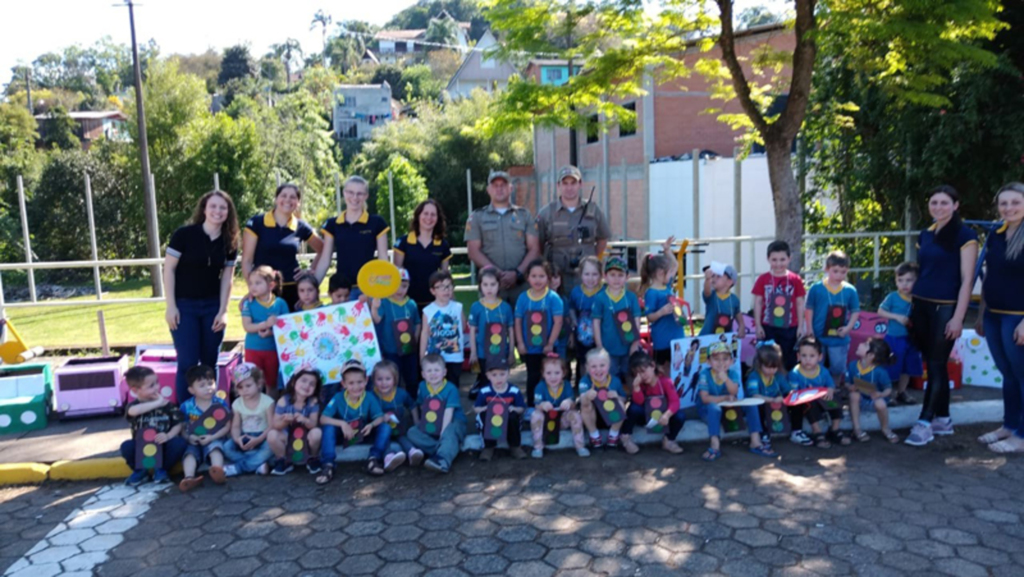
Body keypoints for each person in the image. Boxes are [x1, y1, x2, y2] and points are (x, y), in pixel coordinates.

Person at [906, 186, 978, 447]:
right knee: (932, 363)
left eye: (944, 202)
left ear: (956, 205)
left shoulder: (965, 235)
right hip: (921, 306)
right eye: (934, 202)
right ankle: (944, 419)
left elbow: (967, 279)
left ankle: (924, 422)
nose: (938, 207)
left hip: (945, 309)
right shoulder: (925, 235)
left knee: (936, 364)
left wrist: (958, 318)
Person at [164, 190, 239, 403]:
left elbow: (227, 278)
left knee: (209, 362)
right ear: (204, 209)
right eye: (213, 206)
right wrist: (171, 306)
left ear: (228, 212)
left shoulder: (230, 240)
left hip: (212, 307)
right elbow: (168, 269)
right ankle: (185, 412)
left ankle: (208, 414)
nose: (218, 211)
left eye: (223, 207)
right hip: (184, 306)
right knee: (187, 362)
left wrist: (223, 311)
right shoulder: (184, 235)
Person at [976, 183, 1024, 453]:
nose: (1009, 208)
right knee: (1008, 373)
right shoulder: (996, 233)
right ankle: (1010, 424)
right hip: (994, 315)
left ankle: (1022, 436)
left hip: (1018, 317)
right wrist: (982, 314)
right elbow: (989, 276)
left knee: (1022, 375)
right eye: (1004, 203)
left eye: (1015, 202)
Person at [241, 183, 324, 311]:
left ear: (298, 202)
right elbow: (246, 261)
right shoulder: (257, 223)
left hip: (293, 290)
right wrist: (253, 287)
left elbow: (323, 249)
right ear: (276, 199)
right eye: (283, 195)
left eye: (293, 197)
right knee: (265, 329)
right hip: (264, 289)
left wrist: (309, 272)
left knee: (294, 330)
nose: (287, 200)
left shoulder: (301, 226)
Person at [466, 170, 541, 303]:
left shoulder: (524, 215)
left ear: (511, 188)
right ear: (488, 189)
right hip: (490, 287)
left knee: (526, 323)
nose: (499, 189)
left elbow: (534, 249)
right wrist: (498, 274)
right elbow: (473, 251)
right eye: (495, 185)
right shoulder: (477, 217)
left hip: (521, 286)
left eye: (503, 185)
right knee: (491, 323)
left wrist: (517, 274)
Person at [535, 165, 611, 294]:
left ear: (580, 184)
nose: (569, 188)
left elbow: (602, 239)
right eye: (565, 183)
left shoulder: (593, 210)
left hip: (587, 277)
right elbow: (538, 245)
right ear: (558, 185)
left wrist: (591, 260)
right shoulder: (546, 213)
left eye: (573, 183)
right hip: (557, 277)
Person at [696, 343, 774, 461]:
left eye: (725, 359)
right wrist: (725, 398)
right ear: (708, 361)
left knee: (751, 403)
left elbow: (734, 391)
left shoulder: (732, 374)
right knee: (714, 408)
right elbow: (705, 398)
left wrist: (726, 379)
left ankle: (755, 441)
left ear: (732, 361)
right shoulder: (704, 374)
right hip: (708, 410)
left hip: (729, 408)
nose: (721, 363)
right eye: (716, 359)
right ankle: (714, 444)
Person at [313, 176, 389, 295]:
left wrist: (384, 288)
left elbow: (383, 258)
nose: (355, 197)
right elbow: (325, 260)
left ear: (366, 196)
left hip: (368, 288)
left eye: (360, 194)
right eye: (351, 192)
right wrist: (312, 287)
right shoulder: (332, 224)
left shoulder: (377, 223)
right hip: (342, 291)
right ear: (344, 193)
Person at [317, 360, 389, 483]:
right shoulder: (338, 398)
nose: (356, 387)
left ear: (366, 381)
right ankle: (328, 464)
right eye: (351, 383)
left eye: (360, 382)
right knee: (328, 428)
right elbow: (323, 419)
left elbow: (380, 417)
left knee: (385, 427)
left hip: (363, 433)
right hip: (344, 435)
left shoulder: (369, 397)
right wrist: (342, 423)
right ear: (343, 384)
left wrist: (371, 425)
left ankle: (374, 459)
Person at [121, 366, 188, 486]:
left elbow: (178, 423)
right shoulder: (134, 406)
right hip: (142, 448)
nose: (157, 387)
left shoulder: (167, 405)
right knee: (126, 446)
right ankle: (141, 471)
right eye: (151, 386)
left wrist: (168, 435)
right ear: (136, 390)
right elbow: (133, 411)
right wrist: (157, 403)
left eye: (157, 383)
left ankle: (161, 470)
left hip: (163, 444)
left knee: (179, 443)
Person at [804, 250, 861, 387]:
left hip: (839, 337)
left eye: (843, 272)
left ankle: (833, 390)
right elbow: (809, 309)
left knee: (837, 367)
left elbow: (855, 311)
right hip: (818, 335)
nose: (839, 275)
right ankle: (815, 391)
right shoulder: (816, 288)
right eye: (835, 271)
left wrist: (848, 328)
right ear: (827, 269)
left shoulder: (850, 290)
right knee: (814, 365)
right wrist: (809, 329)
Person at [515, 259, 565, 406]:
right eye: (534, 276)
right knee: (533, 376)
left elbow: (558, 322)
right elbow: (517, 321)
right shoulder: (523, 298)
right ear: (528, 277)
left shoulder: (553, 298)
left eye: (542, 276)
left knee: (551, 377)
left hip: (548, 348)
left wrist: (550, 343)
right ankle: (531, 405)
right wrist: (520, 343)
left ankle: (552, 404)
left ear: (548, 278)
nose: (537, 280)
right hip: (530, 349)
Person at [752, 240, 807, 371]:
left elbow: (800, 303)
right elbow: (758, 302)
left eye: (782, 259)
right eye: (774, 260)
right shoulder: (763, 279)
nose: (778, 264)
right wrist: (758, 325)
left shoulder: (795, 279)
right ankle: (770, 383)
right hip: (768, 326)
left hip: (790, 326)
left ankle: (787, 385)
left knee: (788, 357)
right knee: (769, 356)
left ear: (789, 259)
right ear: (768, 259)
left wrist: (800, 326)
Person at [407, 354, 467, 473]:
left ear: (444, 372)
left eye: (436, 370)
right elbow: (422, 405)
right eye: (429, 371)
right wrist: (422, 424)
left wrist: (442, 433)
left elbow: (448, 413)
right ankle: (444, 448)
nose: (433, 374)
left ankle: (443, 460)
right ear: (423, 374)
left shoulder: (451, 389)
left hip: (452, 421)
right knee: (412, 432)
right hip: (432, 423)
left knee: (450, 431)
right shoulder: (422, 386)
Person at [789, 336, 848, 449]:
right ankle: (817, 432)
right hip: (807, 404)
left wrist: (830, 390)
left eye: (812, 356)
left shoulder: (823, 371)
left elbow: (831, 385)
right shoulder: (795, 373)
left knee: (836, 397)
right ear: (798, 356)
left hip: (823, 401)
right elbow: (793, 393)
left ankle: (835, 429)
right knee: (808, 402)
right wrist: (806, 392)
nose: (807, 359)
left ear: (820, 357)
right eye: (804, 356)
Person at [178, 365, 230, 492]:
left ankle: (217, 470)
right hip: (194, 439)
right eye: (202, 385)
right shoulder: (186, 406)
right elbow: (182, 427)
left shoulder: (220, 403)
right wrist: (188, 437)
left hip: (214, 437)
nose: (208, 388)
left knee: (215, 449)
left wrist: (212, 437)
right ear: (191, 390)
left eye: (210, 383)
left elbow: (227, 425)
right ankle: (189, 478)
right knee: (190, 454)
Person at [592, 256, 642, 386]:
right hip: (608, 349)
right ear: (605, 276)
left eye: (620, 275)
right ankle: (613, 403)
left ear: (627, 277)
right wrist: (599, 346)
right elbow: (596, 323)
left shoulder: (631, 297)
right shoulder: (600, 298)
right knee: (610, 379)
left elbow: (637, 320)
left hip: (628, 348)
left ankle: (634, 402)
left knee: (631, 375)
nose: (616, 279)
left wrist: (635, 344)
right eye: (612, 274)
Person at [877, 262, 922, 405]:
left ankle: (901, 392)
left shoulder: (918, 298)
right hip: (894, 339)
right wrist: (896, 317)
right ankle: (887, 394)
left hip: (912, 339)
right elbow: (880, 311)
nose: (904, 284)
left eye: (909, 280)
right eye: (900, 280)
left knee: (907, 367)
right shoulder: (892, 297)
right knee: (891, 367)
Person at [394, 199, 452, 309]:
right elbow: (397, 273)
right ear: (418, 215)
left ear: (437, 218)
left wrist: (452, 302)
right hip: (407, 302)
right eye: (425, 213)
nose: (429, 218)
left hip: (434, 303)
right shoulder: (403, 242)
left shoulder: (443, 245)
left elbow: (446, 277)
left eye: (433, 214)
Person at [240, 266, 290, 394]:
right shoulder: (248, 303)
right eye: (250, 283)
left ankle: (271, 411)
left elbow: (287, 328)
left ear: (271, 285)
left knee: (271, 384)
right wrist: (265, 324)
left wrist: (271, 333)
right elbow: (247, 326)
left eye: (258, 283)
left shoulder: (281, 304)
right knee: (253, 383)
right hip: (252, 349)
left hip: (273, 350)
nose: (253, 287)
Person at [623, 351, 684, 455]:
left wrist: (667, 415)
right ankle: (625, 437)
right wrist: (636, 388)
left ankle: (669, 440)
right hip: (647, 418)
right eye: (637, 374)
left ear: (652, 366)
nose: (642, 376)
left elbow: (675, 402)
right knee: (633, 408)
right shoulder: (640, 384)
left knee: (680, 416)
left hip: (662, 418)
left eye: (643, 371)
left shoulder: (665, 382)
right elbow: (639, 402)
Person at [371, 268, 420, 396]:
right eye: (396, 286)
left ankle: (413, 404)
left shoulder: (411, 304)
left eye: (404, 286)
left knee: (412, 378)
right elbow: (376, 320)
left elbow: (417, 323)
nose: (400, 290)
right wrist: (374, 308)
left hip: (409, 350)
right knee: (393, 379)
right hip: (391, 351)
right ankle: (393, 404)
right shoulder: (384, 302)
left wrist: (415, 339)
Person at [529, 355, 589, 458]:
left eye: (557, 373)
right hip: (546, 421)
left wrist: (569, 402)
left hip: (562, 420)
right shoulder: (540, 387)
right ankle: (538, 446)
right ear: (543, 374)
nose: (553, 377)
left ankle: (580, 446)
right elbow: (536, 405)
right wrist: (542, 405)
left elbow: (574, 404)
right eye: (548, 373)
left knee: (575, 415)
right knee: (535, 415)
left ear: (564, 373)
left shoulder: (566, 385)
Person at [468, 267, 516, 398]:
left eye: (493, 284)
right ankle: (484, 412)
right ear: (480, 286)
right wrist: (473, 352)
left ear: (499, 285)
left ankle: (500, 408)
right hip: (483, 353)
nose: (489, 288)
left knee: (500, 381)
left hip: (501, 352)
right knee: (485, 383)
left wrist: (511, 352)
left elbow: (510, 330)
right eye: (485, 285)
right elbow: (472, 331)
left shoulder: (505, 307)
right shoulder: (476, 307)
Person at [222, 363, 274, 477]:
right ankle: (258, 464)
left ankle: (238, 468)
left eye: (248, 385)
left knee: (270, 447)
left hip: (263, 436)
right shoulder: (237, 403)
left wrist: (258, 440)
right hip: (244, 437)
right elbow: (235, 426)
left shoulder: (267, 402)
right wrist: (237, 439)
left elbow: (271, 426)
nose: (244, 390)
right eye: (240, 387)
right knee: (226, 447)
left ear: (259, 383)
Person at [268, 369, 323, 476]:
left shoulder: (313, 402)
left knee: (317, 432)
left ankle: (313, 458)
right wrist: (285, 421)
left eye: (312, 384)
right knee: (272, 435)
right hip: (288, 437)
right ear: (293, 382)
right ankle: (283, 460)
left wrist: (305, 419)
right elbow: (275, 424)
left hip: (306, 438)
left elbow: (313, 424)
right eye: (304, 381)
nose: (307, 385)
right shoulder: (283, 400)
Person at [641, 238, 683, 375]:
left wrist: (667, 250)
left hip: (676, 334)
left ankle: (675, 390)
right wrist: (661, 312)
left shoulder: (667, 285)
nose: (671, 274)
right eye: (668, 272)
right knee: (662, 368)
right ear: (660, 273)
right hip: (662, 338)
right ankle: (663, 390)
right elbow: (649, 317)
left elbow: (675, 265)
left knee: (677, 365)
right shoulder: (651, 293)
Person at [474, 357, 528, 461]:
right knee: (484, 415)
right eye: (494, 375)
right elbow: (476, 408)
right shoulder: (484, 391)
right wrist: (485, 408)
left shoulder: (514, 390)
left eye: (502, 374)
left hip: (508, 421)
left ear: (508, 373)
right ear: (487, 376)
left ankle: (515, 446)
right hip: (491, 422)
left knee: (513, 416)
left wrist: (514, 408)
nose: (498, 378)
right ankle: (488, 447)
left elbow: (521, 408)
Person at [846, 337, 898, 443]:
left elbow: (888, 389)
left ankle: (885, 428)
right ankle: (857, 429)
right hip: (860, 399)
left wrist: (880, 394)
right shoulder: (852, 365)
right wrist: (849, 387)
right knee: (853, 395)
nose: (860, 344)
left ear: (870, 355)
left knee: (880, 404)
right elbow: (847, 382)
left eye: (865, 345)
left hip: (874, 399)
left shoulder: (880, 372)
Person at [370, 360, 420, 469]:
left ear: (395, 379)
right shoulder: (371, 396)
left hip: (399, 428)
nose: (384, 383)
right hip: (380, 431)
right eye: (379, 379)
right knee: (384, 438)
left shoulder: (401, 394)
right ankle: (388, 457)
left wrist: (417, 423)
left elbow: (412, 405)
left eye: (388, 379)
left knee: (403, 437)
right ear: (373, 380)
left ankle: (412, 452)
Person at [419, 271, 466, 387]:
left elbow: (463, 326)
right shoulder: (428, 311)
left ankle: (453, 404)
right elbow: (424, 333)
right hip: (435, 356)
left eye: (448, 286)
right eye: (440, 287)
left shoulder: (458, 307)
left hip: (454, 356)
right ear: (433, 291)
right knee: (435, 384)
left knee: (453, 384)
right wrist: (421, 356)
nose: (446, 290)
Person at [746, 341, 794, 448]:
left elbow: (788, 391)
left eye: (775, 367)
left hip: (776, 406)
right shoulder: (754, 376)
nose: (772, 370)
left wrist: (784, 397)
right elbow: (754, 396)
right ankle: (762, 432)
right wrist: (772, 400)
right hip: (760, 405)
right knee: (759, 406)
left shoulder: (778, 376)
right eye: (768, 367)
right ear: (759, 364)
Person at [578, 348, 628, 449]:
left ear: (609, 366)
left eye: (602, 365)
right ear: (587, 368)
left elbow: (624, 399)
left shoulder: (615, 381)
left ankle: (613, 434)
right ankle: (594, 435)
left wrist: (616, 396)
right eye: (593, 366)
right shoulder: (585, 381)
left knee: (620, 404)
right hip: (593, 419)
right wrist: (587, 395)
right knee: (586, 405)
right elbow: (581, 401)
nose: (598, 370)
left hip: (612, 417)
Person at [568, 256, 604, 388]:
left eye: (595, 274)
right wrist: (573, 320)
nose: (591, 278)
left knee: (599, 361)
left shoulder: (603, 292)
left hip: (600, 335)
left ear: (601, 275)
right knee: (583, 361)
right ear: (580, 274)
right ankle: (584, 386)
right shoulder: (576, 292)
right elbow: (571, 308)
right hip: (582, 336)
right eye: (587, 274)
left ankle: (599, 386)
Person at [699, 262, 746, 338]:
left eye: (718, 276)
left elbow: (737, 313)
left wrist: (742, 326)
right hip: (707, 338)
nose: (713, 278)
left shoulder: (734, 299)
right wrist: (707, 279)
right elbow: (706, 292)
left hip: (726, 339)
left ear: (729, 282)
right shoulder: (712, 295)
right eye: (713, 276)